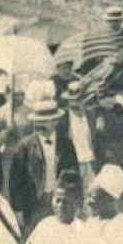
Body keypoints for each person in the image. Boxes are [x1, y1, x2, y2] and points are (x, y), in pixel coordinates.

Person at [7, 96, 81, 228]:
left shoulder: (66, 144)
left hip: (61, 203)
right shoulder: (25, 146)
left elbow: (74, 175)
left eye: (45, 121)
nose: (40, 125)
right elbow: (15, 181)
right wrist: (17, 210)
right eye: (37, 122)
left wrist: (76, 203)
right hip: (34, 203)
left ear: (55, 121)